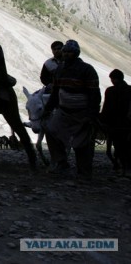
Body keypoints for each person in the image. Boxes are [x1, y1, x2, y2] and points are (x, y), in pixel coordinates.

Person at [43, 39, 101, 179]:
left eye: (70, 52)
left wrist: (91, 114)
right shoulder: (60, 70)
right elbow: (56, 92)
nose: (67, 54)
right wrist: (48, 108)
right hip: (64, 111)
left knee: (82, 144)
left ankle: (84, 172)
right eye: (65, 52)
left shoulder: (87, 70)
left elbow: (95, 94)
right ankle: (61, 162)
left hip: (82, 112)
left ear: (76, 53)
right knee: (51, 131)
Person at [99, 69, 131, 174]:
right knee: (125, 145)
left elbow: (106, 108)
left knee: (117, 145)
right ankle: (124, 166)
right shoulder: (129, 90)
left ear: (113, 79)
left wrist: (103, 120)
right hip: (127, 124)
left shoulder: (110, 91)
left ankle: (120, 166)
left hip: (114, 123)